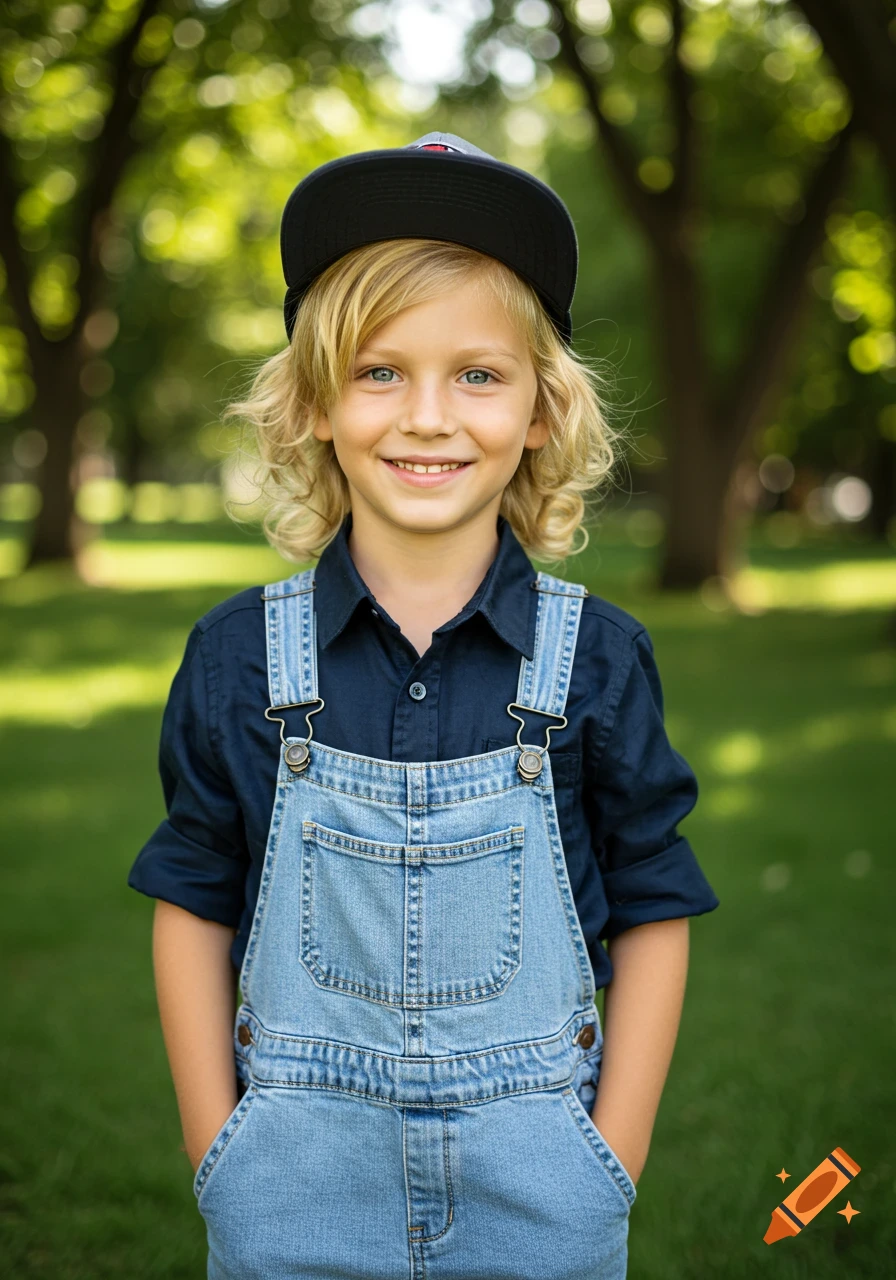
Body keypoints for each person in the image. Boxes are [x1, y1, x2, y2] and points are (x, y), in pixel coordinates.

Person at [129, 132, 720, 1280]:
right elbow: (192, 892)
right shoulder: (235, 658)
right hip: (288, 1192)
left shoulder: (595, 659)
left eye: (478, 374)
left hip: (541, 1193)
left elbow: (653, 895)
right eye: (379, 369)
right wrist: (222, 1155)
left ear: (542, 411)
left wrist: (612, 1157)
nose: (427, 415)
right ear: (311, 401)